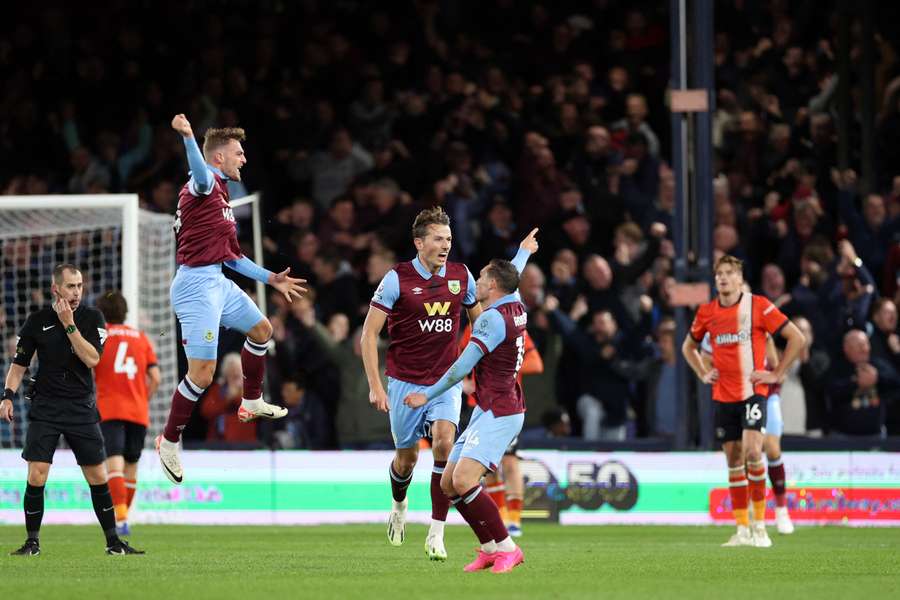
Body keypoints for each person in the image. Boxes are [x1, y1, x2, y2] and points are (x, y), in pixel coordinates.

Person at [158, 114, 306, 484]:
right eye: (238, 153)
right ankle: (169, 440)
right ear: (219, 158)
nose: (244, 159)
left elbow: (232, 258)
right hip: (195, 286)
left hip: (216, 280)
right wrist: (189, 137)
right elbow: (200, 171)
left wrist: (271, 278)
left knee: (261, 329)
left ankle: (251, 399)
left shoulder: (222, 199)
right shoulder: (203, 183)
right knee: (202, 374)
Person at [403, 231, 538, 574]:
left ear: (492, 286)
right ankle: (490, 548)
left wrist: (426, 394)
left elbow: (460, 367)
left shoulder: (491, 320)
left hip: (501, 412)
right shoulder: (514, 301)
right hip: (490, 408)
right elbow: (514, 274)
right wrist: (522, 252)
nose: (475, 282)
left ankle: (508, 548)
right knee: (449, 483)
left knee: (463, 481)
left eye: (480, 278)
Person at [361, 206, 482, 561]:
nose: (445, 245)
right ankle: (399, 505)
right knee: (407, 459)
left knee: (444, 443)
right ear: (419, 242)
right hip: (403, 383)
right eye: (438, 239)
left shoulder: (462, 276)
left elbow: (482, 326)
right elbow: (369, 334)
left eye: (449, 239)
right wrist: (375, 386)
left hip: (445, 381)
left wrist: (478, 370)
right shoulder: (397, 279)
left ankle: (436, 532)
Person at [1, 265, 142, 555]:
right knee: (36, 475)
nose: (76, 292)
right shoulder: (37, 321)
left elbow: (91, 359)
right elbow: (19, 366)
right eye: (70, 286)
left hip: (81, 408)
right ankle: (32, 542)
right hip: (46, 408)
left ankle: (114, 542)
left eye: (79, 286)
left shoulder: (93, 318)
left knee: (98, 477)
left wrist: (69, 324)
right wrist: (7, 396)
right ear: (56, 288)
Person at [682, 255, 805, 548]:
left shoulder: (759, 306)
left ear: (739, 279)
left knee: (753, 453)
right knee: (734, 461)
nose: (723, 278)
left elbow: (797, 338)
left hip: (753, 392)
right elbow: (689, 347)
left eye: (729, 273)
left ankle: (761, 527)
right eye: (719, 274)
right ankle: (742, 529)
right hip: (723, 396)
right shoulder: (707, 312)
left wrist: (776, 373)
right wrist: (702, 372)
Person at [701, 332, 794, 534]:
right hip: (736, 395)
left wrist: (775, 370)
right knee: (743, 453)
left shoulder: (752, 320)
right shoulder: (715, 328)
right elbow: (705, 356)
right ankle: (751, 510)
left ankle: (781, 509)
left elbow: (769, 341)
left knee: (771, 447)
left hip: (764, 394)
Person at [94, 291, 161, 537]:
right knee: (131, 466)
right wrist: (143, 398)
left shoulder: (100, 337)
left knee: (114, 464)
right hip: (138, 411)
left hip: (110, 409)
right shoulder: (141, 338)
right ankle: (123, 519)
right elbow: (156, 378)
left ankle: (120, 517)